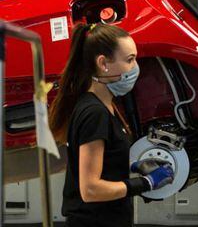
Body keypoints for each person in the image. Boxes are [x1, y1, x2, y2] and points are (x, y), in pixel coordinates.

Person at [49, 23, 174, 227]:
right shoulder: (94, 113)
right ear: (103, 63)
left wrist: (135, 164)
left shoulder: (107, 106)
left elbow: (105, 160)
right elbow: (90, 190)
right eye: (129, 60)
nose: (135, 68)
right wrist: (145, 183)